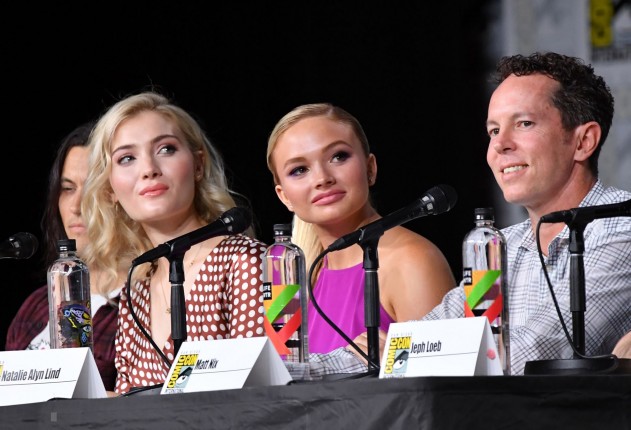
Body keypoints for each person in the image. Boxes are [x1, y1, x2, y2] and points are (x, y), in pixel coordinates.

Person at [420, 51, 631, 374]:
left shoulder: (621, 230)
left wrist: (417, 356)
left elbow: (536, 353)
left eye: (524, 124)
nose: (500, 144)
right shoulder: (498, 246)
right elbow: (418, 341)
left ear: (583, 142)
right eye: (493, 130)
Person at [81, 91, 267, 394]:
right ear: (109, 190)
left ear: (198, 165)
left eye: (166, 149)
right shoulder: (136, 288)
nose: (149, 169)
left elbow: (261, 397)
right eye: (127, 158)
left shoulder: (245, 262)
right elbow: (128, 399)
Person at [266, 103, 456, 365]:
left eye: (338, 156)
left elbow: (443, 381)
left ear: (370, 168)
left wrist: (395, 363)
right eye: (299, 170)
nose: (322, 178)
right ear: (284, 196)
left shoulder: (413, 261)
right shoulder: (293, 277)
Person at [5, 121, 123, 391]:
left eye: (93, 189)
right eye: (67, 188)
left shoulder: (142, 300)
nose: (76, 206)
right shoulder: (36, 304)